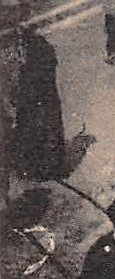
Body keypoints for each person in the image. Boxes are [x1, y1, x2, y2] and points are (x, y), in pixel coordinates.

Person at [5, 17, 68, 180]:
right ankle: (39, 168)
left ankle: (50, 169)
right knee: (37, 133)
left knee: (45, 133)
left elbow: (37, 78)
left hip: (41, 101)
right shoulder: (36, 50)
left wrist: (21, 94)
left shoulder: (38, 51)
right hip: (37, 101)